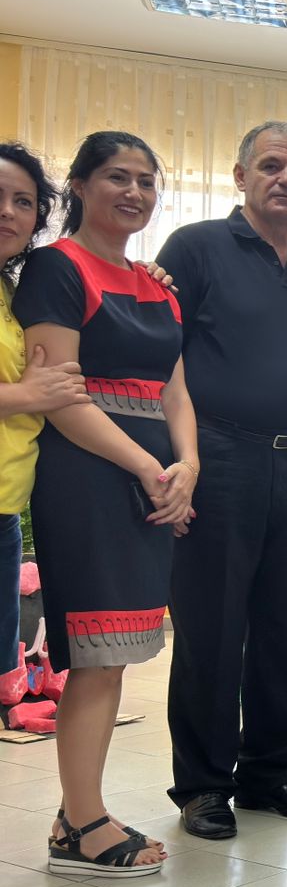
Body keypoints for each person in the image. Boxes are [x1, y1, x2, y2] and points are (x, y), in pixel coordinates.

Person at [159, 120, 287, 840]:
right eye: (272, 165)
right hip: (219, 456)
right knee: (212, 627)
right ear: (240, 176)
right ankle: (203, 786)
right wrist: (181, 460)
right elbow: (163, 358)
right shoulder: (195, 248)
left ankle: (269, 772)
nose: (286, 178)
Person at [15, 131, 196, 876]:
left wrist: (188, 466)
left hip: (151, 479)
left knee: (116, 657)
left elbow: (176, 391)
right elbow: (61, 397)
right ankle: (81, 824)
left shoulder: (158, 284)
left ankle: (79, 812)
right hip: (88, 476)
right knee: (94, 657)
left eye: (146, 181)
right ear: (80, 187)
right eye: (118, 177)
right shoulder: (55, 268)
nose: (134, 192)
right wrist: (151, 467)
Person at [1, 142, 83, 659]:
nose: (8, 211)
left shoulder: (13, 293)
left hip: (6, 506)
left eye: (23, 201)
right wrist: (27, 394)